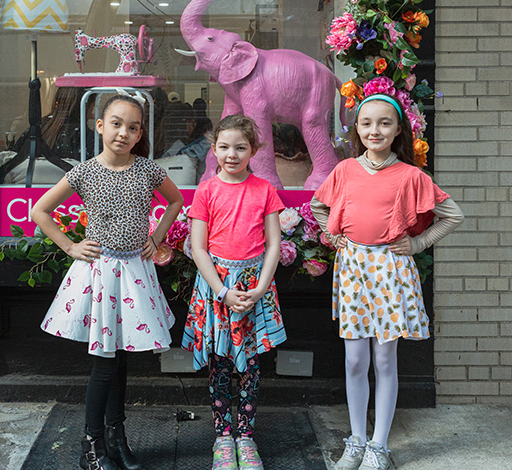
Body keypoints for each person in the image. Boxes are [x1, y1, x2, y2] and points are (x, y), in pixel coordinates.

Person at [310, 93, 464, 470]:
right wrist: (334, 237)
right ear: (356, 129)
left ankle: (379, 446)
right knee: (354, 360)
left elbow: (452, 215)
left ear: (398, 130)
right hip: (354, 269)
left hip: (392, 270)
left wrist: (417, 242)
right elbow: (318, 206)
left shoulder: (411, 176)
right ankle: (356, 440)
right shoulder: (344, 170)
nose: (374, 130)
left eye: (383, 123)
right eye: (366, 123)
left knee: (384, 358)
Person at [31, 93, 184, 470]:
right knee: (104, 363)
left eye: (132, 127)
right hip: (101, 275)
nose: (123, 133)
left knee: (120, 360)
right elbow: (40, 210)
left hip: (135, 272)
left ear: (139, 133)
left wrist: (156, 236)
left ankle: (116, 437)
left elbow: (176, 201)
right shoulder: (84, 172)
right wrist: (69, 245)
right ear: (99, 126)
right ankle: (91, 444)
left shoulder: (148, 170)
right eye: (115, 123)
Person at [182, 114, 286, 470]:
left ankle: (246, 436)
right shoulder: (207, 190)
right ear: (213, 150)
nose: (232, 154)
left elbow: (274, 244)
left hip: (255, 287)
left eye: (240, 147)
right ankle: (222, 438)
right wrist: (222, 291)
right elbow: (198, 248)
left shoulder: (265, 190)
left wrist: (259, 289)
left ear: (253, 150)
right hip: (218, 289)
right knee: (221, 365)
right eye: (224, 147)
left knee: (252, 367)